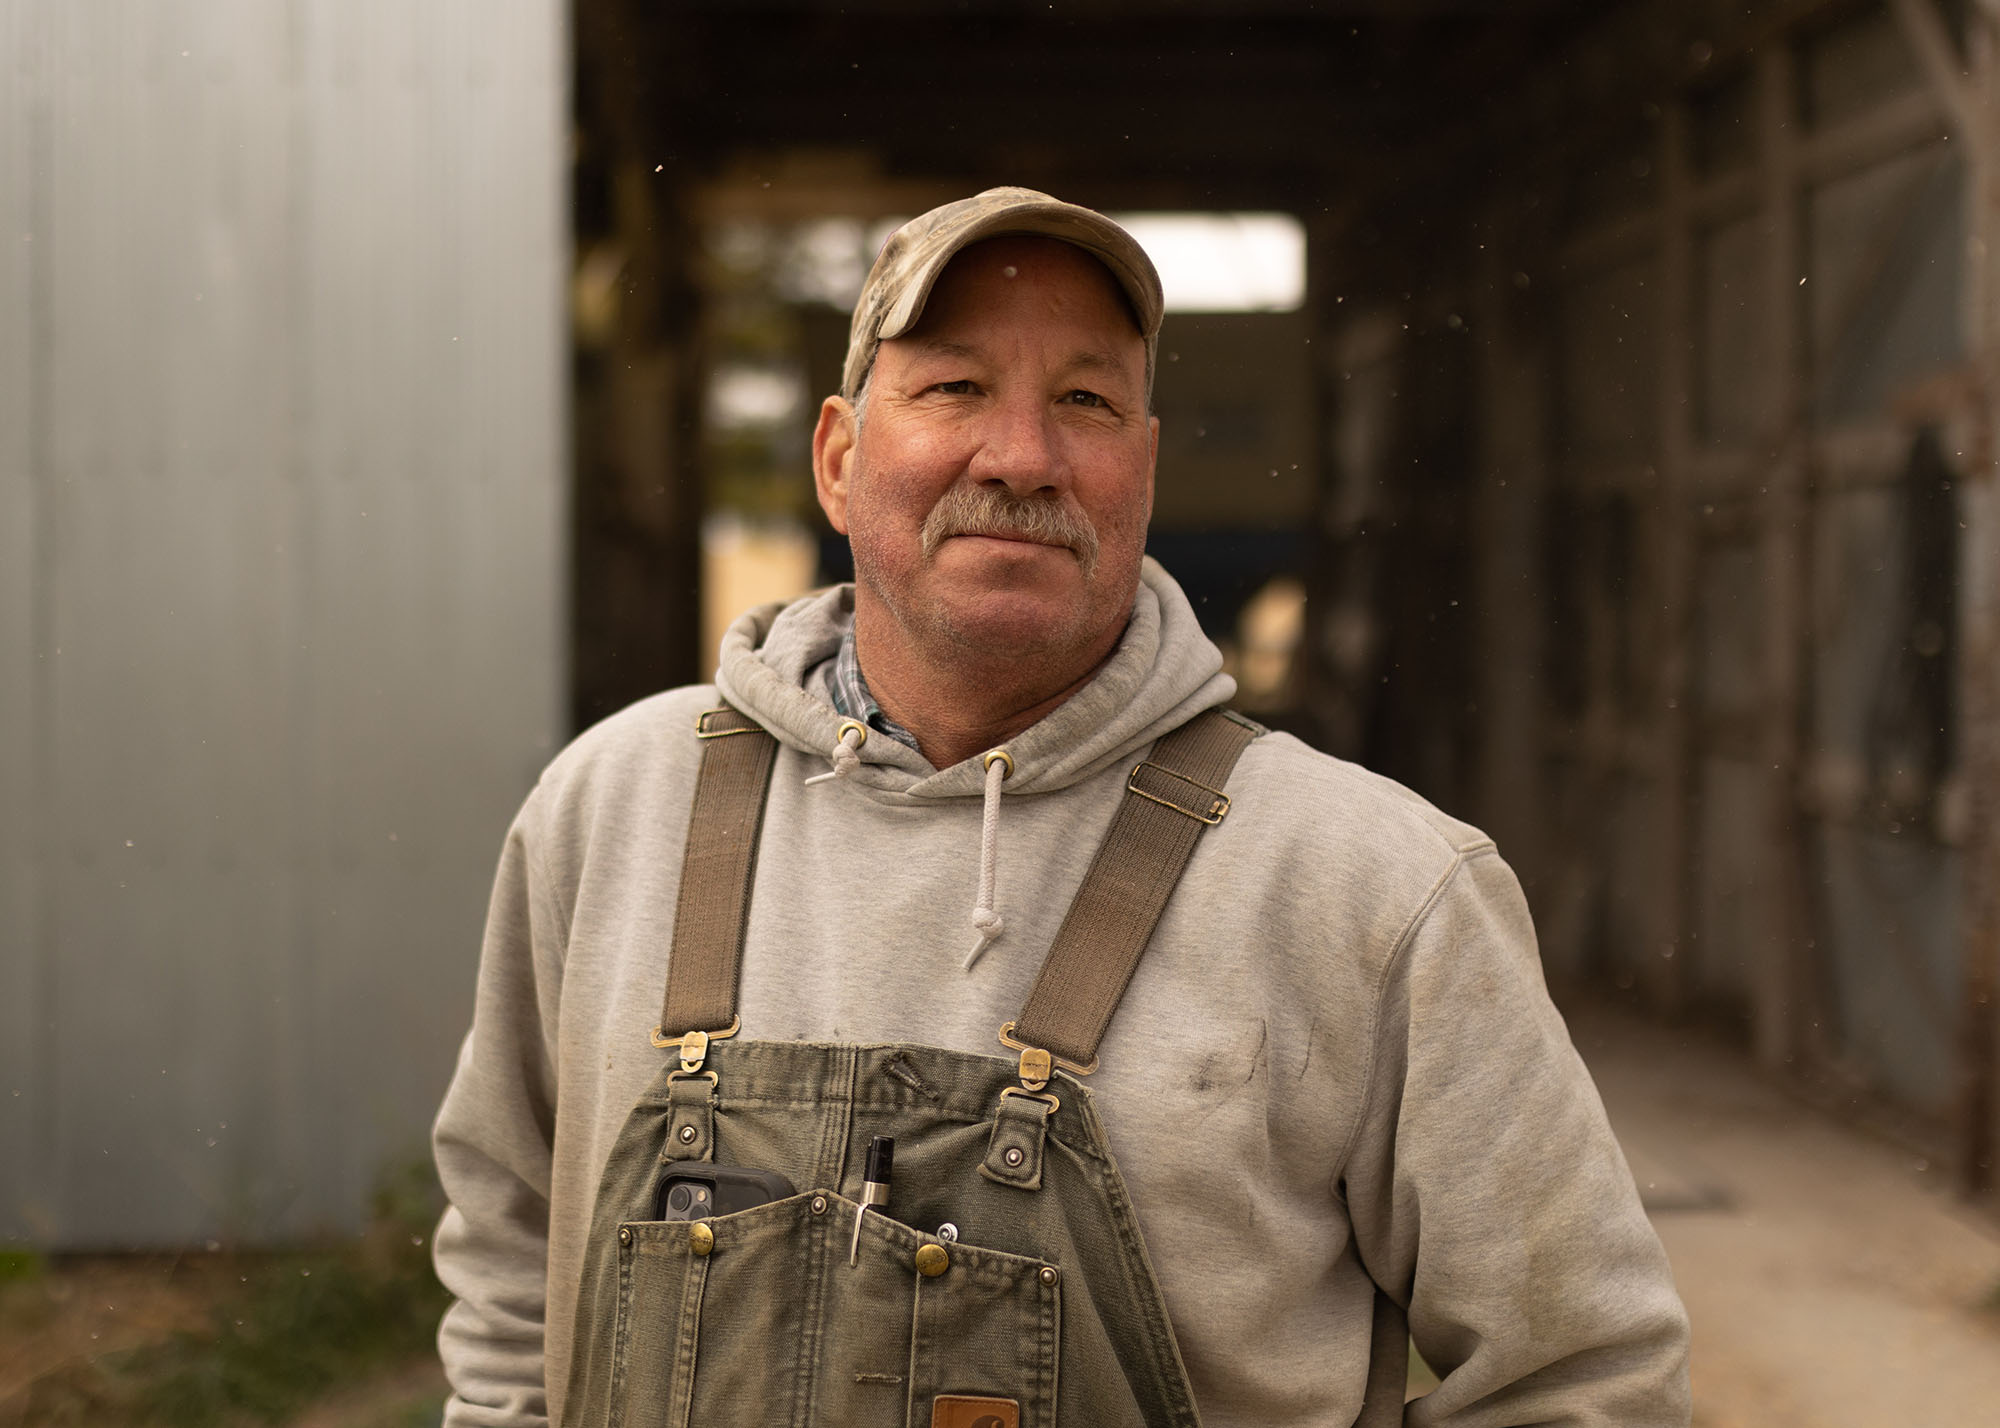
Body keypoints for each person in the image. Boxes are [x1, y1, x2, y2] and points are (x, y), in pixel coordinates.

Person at [431, 187, 1691, 1428]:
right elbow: (508, 1267)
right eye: (953, 387)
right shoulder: (613, 811)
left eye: (1084, 401)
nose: (1021, 457)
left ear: (1139, 473)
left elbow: (1584, 1381)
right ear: (836, 457)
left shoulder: (1371, 884)